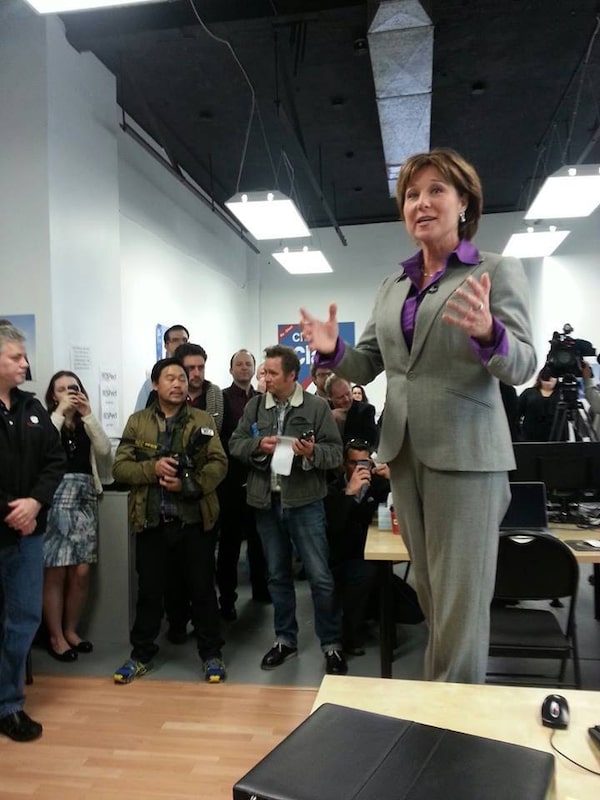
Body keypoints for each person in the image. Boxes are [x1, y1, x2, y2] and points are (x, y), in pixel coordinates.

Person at [300, 147, 536, 684]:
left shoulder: (494, 271)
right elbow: (368, 363)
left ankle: (453, 719)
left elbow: (523, 364)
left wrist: (489, 333)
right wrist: (334, 351)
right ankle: (444, 703)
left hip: (468, 455)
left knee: (461, 602)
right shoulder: (394, 286)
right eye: (411, 194)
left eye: (436, 191)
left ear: (464, 203)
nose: (421, 203)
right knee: (430, 592)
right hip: (404, 454)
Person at [229, 345, 347, 676]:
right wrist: (258, 445)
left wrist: (311, 453)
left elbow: (335, 454)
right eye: (264, 372)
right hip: (266, 503)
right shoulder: (255, 406)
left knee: (320, 576)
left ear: (292, 375)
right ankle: (285, 639)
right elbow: (235, 443)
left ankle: (331, 643)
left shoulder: (316, 407)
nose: (265, 377)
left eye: (272, 373)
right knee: (277, 575)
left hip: (306, 503)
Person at [112, 358, 228, 684]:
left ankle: (211, 655)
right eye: (170, 378)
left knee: (203, 590)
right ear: (155, 385)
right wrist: (153, 469)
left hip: (194, 521)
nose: (178, 384)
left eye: (182, 378)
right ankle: (141, 655)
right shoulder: (138, 422)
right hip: (151, 521)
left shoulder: (202, 420)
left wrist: (190, 485)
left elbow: (219, 464)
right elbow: (120, 468)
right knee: (150, 592)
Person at [0, 323, 64, 741]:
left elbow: (54, 461)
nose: (26, 363)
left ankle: (9, 705)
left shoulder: (32, 408)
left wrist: (35, 504)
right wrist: (11, 509)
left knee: (24, 618)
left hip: (27, 535)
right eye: (16, 357)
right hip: (7, 524)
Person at [42, 371, 111, 661]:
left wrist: (88, 414)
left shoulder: (86, 422)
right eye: (62, 389)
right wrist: (60, 412)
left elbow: (105, 451)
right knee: (55, 571)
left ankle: (71, 629)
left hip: (84, 498)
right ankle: (55, 636)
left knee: (81, 571)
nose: (69, 392)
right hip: (55, 498)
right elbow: (42, 446)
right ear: (53, 395)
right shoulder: (46, 421)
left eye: (74, 387)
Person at [217, 349, 270, 620]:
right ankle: (227, 599)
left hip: (258, 476)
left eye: (248, 364)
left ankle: (261, 589)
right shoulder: (222, 399)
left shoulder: (262, 400)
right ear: (231, 369)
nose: (244, 368)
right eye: (239, 364)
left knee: (259, 538)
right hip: (231, 479)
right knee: (230, 542)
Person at [325, 439, 390, 655]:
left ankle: (379, 621)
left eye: (364, 463)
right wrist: (349, 494)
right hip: (344, 558)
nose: (360, 469)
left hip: (374, 554)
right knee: (365, 574)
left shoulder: (378, 485)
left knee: (410, 607)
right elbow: (335, 527)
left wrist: (394, 480)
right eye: (354, 463)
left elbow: (399, 506)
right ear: (344, 464)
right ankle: (350, 636)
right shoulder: (333, 490)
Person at [135, 324, 189, 411]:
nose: (181, 344)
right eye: (175, 340)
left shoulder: (195, 378)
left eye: (184, 340)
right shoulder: (152, 383)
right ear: (166, 345)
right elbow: (139, 415)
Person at [325, 375, 379, 449]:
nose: (346, 399)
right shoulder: (323, 411)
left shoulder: (366, 410)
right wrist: (330, 418)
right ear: (329, 397)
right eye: (340, 397)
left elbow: (371, 441)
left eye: (348, 394)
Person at [518, 368, 562, 441]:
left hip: (557, 437)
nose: (548, 382)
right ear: (540, 379)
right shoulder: (528, 393)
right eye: (546, 378)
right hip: (530, 437)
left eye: (552, 378)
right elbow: (516, 413)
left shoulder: (562, 395)